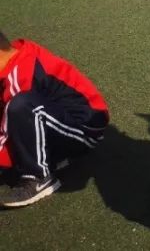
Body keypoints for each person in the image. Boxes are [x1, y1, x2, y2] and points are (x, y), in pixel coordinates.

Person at [0, 31, 109, 208]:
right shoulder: (13, 62)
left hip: (85, 129)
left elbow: (10, 126)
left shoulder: (21, 75)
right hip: (59, 120)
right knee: (19, 109)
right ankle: (52, 157)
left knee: (21, 106)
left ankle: (38, 177)